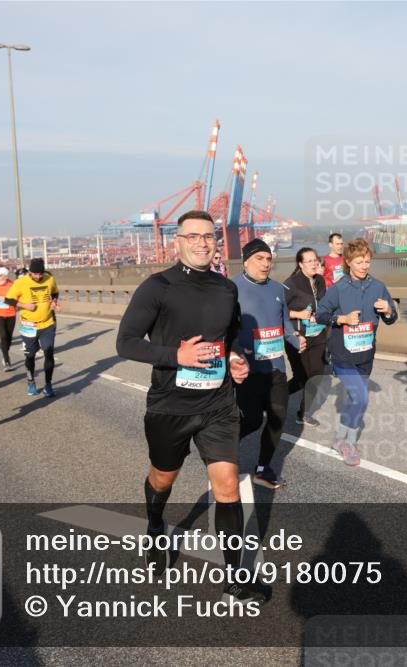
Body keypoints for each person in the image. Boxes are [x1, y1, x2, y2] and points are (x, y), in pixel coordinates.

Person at [116, 209, 265, 604]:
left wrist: (236, 359)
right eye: (192, 236)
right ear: (176, 242)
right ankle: (154, 527)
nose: (201, 242)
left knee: (228, 488)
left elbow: (230, 336)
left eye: (208, 236)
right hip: (170, 405)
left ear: (216, 242)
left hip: (218, 403)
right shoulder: (157, 287)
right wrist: (175, 356)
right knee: (163, 480)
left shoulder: (226, 288)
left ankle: (234, 579)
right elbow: (126, 343)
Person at [316, 238, 397, 466]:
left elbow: (392, 318)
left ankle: (339, 439)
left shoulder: (378, 286)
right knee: (361, 396)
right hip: (342, 353)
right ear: (348, 262)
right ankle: (349, 444)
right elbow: (320, 315)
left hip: (365, 354)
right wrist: (342, 319)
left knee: (355, 398)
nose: (364, 266)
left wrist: (389, 310)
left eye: (367, 261)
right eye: (360, 261)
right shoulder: (338, 288)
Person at [232, 238, 304, 489]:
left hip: (275, 368)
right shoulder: (232, 288)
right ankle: (223, 453)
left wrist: (295, 340)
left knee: (277, 418)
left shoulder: (277, 289)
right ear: (246, 260)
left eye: (268, 259)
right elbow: (227, 330)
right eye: (259, 259)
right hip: (248, 370)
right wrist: (237, 352)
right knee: (251, 420)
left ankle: (263, 468)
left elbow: (284, 323)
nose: (265, 264)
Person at [284, 247, 328, 427]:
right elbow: (279, 309)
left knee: (316, 376)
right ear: (300, 264)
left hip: (318, 334)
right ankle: (271, 398)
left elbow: (325, 304)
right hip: (298, 336)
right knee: (301, 378)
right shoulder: (291, 283)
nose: (314, 263)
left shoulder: (320, 281)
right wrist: (298, 314)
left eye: (315, 259)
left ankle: (303, 413)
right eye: (309, 261)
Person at [5, 258, 60, 397]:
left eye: (40, 273)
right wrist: (24, 305)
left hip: (47, 323)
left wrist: (54, 302)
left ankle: (48, 384)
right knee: (30, 356)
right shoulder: (20, 282)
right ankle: (31, 381)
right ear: (30, 272)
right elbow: (8, 299)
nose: (38, 276)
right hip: (29, 325)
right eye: (35, 274)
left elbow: (54, 292)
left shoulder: (49, 279)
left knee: (49, 352)